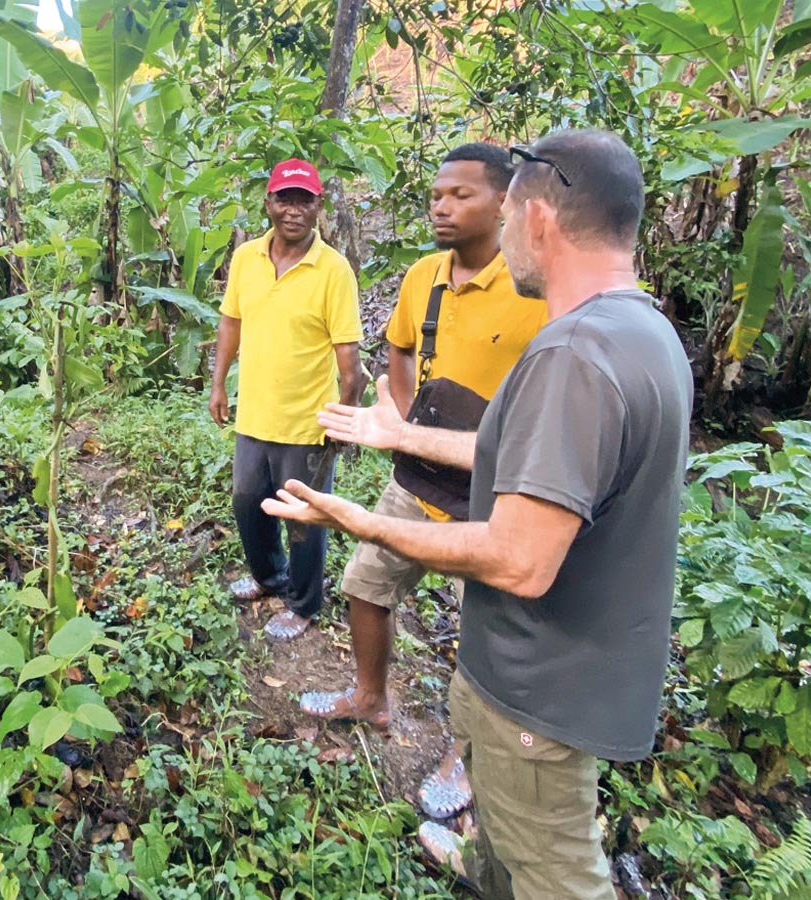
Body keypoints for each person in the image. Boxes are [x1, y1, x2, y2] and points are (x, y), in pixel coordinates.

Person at [262, 129, 693, 900]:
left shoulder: (572, 352)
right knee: (511, 840)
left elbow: (520, 558)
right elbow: (520, 453)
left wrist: (361, 522)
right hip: (562, 669)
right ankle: (481, 864)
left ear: (533, 220)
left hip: (542, 688)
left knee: (558, 870)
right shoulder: (642, 331)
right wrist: (400, 433)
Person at [297, 143, 547, 822]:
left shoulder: (536, 291)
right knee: (365, 584)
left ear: (505, 204)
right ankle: (370, 696)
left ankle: (465, 758)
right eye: (436, 194)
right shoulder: (423, 278)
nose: (441, 205)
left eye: (460, 195)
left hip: (498, 491)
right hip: (422, 476)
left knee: (491, 636)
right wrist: (403, 421)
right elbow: (399, 348)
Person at [209, 158, 364, 642]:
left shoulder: (334, 271)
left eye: (304, 200)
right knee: (247, 502)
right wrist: (218, 382)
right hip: (254, 412)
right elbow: (231, 322)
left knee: (304, 521)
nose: (293, 210)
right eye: (284, 198)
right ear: (268, 202)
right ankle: (267, 576)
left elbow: (349, 361)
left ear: (319, 207)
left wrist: (343, 423)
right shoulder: (246, 258)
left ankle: (302, 603)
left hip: (308, 420)